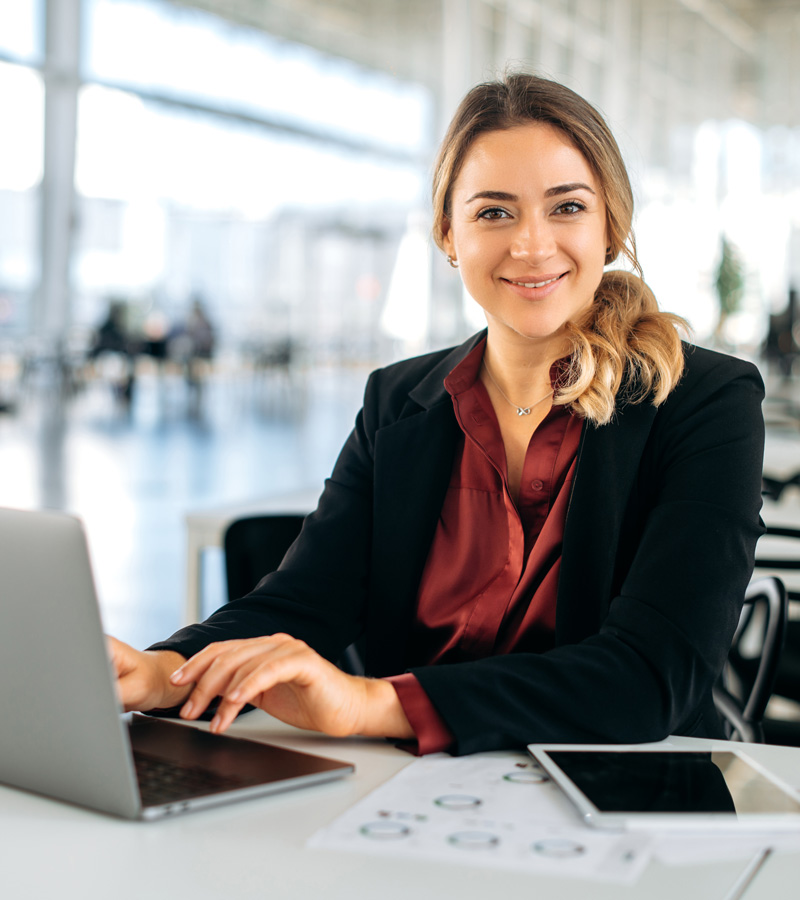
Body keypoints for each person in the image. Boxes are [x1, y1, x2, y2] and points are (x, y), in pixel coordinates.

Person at [110, 73, 765, 756]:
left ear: (611, 227)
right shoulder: (398, 404)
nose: (532, 245)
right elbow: (300, 604)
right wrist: (162, 672)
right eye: (494, 212)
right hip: (421, 805)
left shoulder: (704, 403)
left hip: (637, 803)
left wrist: (373, 702)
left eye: (566, 208)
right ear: (448, 235)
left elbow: (649, 677)